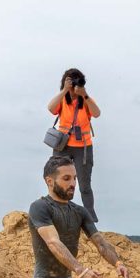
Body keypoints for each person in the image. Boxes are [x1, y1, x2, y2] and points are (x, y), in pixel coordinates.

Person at [47, 67, 102, 222]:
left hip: (83, 148)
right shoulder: (62, 99)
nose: (74, 86)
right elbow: (50, 108)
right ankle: (56, 213)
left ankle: (90, 219)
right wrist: (65, 90)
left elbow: (97, 113)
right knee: (58, 179)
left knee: (84, 185)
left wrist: (84, 95)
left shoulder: (86, 100)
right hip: (62, 146)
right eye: (71, 81)